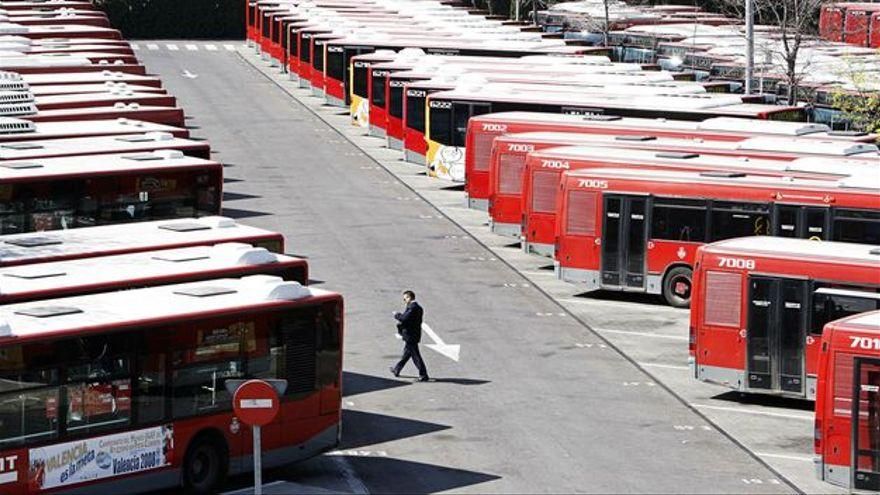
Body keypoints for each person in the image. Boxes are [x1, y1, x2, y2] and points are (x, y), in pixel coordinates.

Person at [390, 290, 429, 382]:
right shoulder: (418, 307)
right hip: (413, 334)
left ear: (409, 297)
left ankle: (423, 375)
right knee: (407, 354)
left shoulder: (413, 307)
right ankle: (397, 369)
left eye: (405, 298)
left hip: (411, 335)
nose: (404, 300)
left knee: (416, 356)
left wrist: (396, 315)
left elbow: (404, 318)